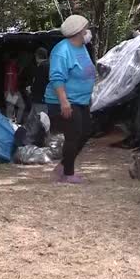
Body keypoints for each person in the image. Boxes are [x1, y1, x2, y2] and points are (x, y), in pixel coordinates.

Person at [45, 15, 96, 184]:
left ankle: (63, 166)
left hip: (81, 100)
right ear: (78, 32)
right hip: (65, 100)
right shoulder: (62, 50)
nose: (88, 32)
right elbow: (57, 77)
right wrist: (64, 101)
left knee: (86, 131)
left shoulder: (82, 48)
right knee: (73, 134)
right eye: (85, 29)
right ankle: (67, 174)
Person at [4, 53, 25, 123]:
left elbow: (13, 78)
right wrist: (10, 91)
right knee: (12, 107)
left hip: (13, 90)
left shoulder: (13, 66)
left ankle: (14, 123)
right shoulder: (10, 66)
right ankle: (13, 123)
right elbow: (10, 79)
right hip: (11, 91)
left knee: (13, 107)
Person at [30, 47, 49, 117]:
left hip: (40, 98)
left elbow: (39, 83)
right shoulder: (51, 64)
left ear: (37, 56)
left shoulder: (42, 67)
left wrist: (31, 89)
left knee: (38, 119)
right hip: (48, 97)